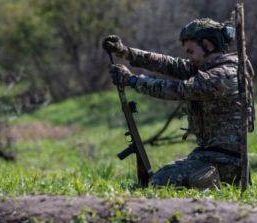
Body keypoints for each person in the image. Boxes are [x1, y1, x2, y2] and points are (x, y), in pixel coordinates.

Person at [103, 18, 245, 189]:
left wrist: (131, 80)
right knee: (161, 178)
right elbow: (170, 64)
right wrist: (126, 52)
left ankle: (216, 183)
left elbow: (178, 89)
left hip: (227, 162)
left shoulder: (223, 75)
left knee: (161, 182)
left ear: (207, 45)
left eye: (191, 51)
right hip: (208, 156)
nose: (189, 58)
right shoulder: (208, 67)